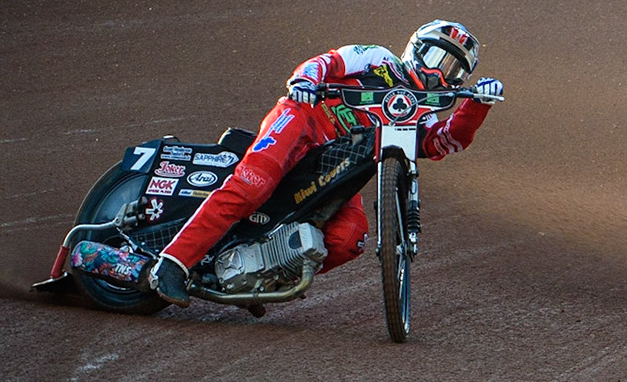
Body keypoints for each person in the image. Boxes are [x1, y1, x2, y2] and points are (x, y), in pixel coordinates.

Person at [146, 20, 504, 306]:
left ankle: (262, 278)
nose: (441, 74)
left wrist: (478, 104)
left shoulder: (422, 114)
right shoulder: (378, 57)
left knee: (350, 237)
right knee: (253, 185)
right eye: (437, 59)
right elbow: (329, 61)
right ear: (415, 51)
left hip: (338, 167)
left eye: (454, 71)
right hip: (302, 122)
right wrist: (305, 80)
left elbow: (444, 142)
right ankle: (171, 265)